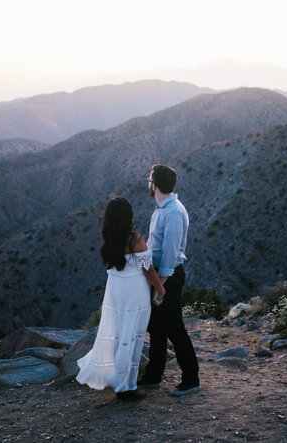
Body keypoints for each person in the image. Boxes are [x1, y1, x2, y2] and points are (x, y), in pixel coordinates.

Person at [76, 196, 166, 401]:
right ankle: (127, 386)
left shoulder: (110, 241)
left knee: (119, 336)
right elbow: (149, 270)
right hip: (135, 293)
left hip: (116, 292)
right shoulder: (136, 240)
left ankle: (122, 382)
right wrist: (161, 290)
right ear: (128, 217)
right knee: (133, 337)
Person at [138, 164, 200, 396]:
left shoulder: (173, 212)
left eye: (149, 180)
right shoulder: (162, 208)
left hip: (168, 277)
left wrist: (159, 286)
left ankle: (191, 378)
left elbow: (171, 255)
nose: (148, 184)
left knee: (175, 328)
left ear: (155, 185)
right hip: (159, 275)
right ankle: (154, 375)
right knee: (156, 328)